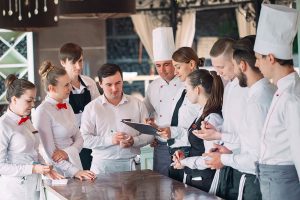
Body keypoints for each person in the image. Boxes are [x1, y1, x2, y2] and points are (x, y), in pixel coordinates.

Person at [203, 35, 276, 200]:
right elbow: (244, 132)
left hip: (248, 170)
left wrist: (225, 156)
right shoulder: (232, 87)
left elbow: (255, 153)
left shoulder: (252, 95)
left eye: (223, 66)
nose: (219, 73)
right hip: (235, 159)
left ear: (239, 63)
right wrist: (220, 138)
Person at [253, 4, 300, 200]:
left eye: (258, 58)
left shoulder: (291, 97)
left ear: (270, 58)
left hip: (283, 182)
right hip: (273, 180)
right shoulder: (283, 89)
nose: (256, 64)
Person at [80, 63, 153, 174]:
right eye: (109, 85)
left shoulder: (137, 104)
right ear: (100, 84)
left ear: (122, 81)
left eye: (118, 83)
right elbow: (84, 139)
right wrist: (110, 140)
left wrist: (134, 141)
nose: (114, 89)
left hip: (131, 165)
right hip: (102, 166)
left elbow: (149, 134)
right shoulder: (91, 108)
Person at [0, 74, 63, 200]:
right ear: (14, 100)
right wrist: (34, 169)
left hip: (34, 186)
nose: (33, 104)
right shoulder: (3, 125)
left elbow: (34, 151)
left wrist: (45, 167)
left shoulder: (27, 121)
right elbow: (1, 166)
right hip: (15, 191)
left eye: (34, 100)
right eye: (29, 101)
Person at [33, 61, 96, 180]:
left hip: (75, 166)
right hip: (57, 174)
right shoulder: (42, 111)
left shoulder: (68, 106)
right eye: (66, 85)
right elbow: (51, 154)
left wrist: (67, 152)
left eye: (70, 84)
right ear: (51, 88)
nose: (71, 87)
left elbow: (80, 138)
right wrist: (75, 171)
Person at [171, 69, 224, 192]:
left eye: (187, 88)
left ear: (197, 89)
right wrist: (183, 154)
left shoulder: (212, 118)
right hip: (196, 178)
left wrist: (185, 162)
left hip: (205, 181)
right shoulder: (201, 113)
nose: (186, 93)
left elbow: (210, 159)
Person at [144, 27, 183, 176]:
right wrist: (150, 135)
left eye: (166, 64)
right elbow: (145, 110)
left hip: (181, 144)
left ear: (174, 63)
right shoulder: (153, 86)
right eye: (158, 66)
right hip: (160, 145)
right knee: (161, 186)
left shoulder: (185, 83)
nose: (162, 70)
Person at [59, 43, 100, 170]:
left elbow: (99, 108)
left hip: (91, 139)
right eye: (74, 63)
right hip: (70, 143)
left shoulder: (89, 83)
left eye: (81, 61)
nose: (78, 66)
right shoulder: (58, 88)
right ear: (63, 63)